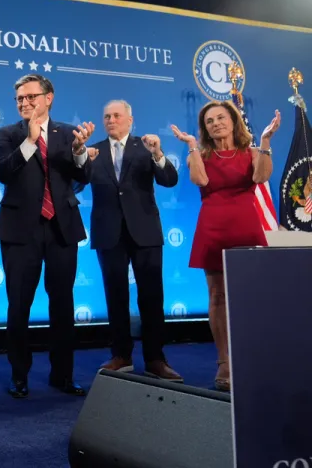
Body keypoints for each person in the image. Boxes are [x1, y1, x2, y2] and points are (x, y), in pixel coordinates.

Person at [0, 74, 94, 399]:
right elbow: (3, 172)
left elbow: (83, 176)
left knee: (63, 304)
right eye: (20, 99)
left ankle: (62, 375)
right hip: (20, 229)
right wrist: (30, 141)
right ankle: (19, 376)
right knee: (19, 304)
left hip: (61, 228)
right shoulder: (8, 134)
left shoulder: (67, 133)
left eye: (31, 97)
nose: (25, 103)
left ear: (48, 98)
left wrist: (79, 152)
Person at [171, 101, 280, 391]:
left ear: (233, 120)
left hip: (246, 229)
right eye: (209, 121)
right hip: (213, 230)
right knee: (217, 297)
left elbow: (261, 177)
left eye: (221, 117)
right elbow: (200, 179)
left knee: (249, 297)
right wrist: (193, 145)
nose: (216, 123)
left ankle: (251, 357)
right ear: (204, 129)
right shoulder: (201, 154)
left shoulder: (253, 152)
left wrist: (266, 141)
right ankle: (224, 361)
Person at [84, 100, 183, 382]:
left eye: (116, 115)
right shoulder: (94, 151)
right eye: (106, 116)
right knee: (115, 296)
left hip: (145, 230)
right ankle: (121, 355)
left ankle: (155, 359)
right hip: (108, 231)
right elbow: (77, 182)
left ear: (130, 119)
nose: (110, 120)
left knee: (152, 296)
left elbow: (169, 180)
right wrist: (81, 159)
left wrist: (159, 154)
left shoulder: (146, 146)